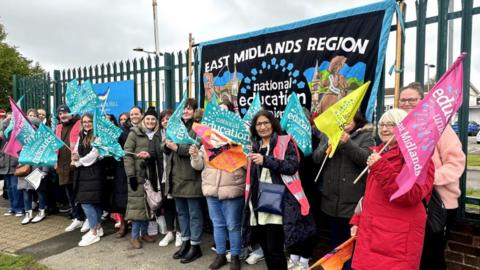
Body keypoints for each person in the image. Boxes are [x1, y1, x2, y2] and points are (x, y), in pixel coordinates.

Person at [349, 109, 435, 270]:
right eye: (381, 124)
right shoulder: (379, 152)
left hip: (395, 241)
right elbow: (369, 196)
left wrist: (380, 166)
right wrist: (357, 220)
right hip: (372, 233)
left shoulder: (418, 158)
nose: (384, 129)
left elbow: (411, 194)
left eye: (391, 124)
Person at [398, 82, 466, 270]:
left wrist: (427, 179)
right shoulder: (401, 129)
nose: (406, 103)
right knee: (413, 254)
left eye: (412, 99)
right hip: (412, 201)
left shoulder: (439, 128)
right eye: (402, 100)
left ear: (423, 101)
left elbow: (456, 163)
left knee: (431, 254)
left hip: (438, 202)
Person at [243, 110, 316, 270]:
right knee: (266, 249)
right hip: (256, 202)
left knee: (275, 249)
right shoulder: (254, 145)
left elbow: (291, 166)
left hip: (275, 201)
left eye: (266, 123)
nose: (262, 127)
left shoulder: (284, 142)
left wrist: (266, 160)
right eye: (259, 124)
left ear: (273, 124)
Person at [312, 111, 374, 270]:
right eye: (342, 118)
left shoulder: (365, 136)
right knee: (336, 245)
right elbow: (316, 158)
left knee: (350, 246)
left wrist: (348, 143)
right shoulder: (328, 134)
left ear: (357, 119)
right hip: (331, 201)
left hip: (351, 204)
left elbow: (366, 160)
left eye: (349, 117)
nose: (345, 121)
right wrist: (328, 144)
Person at [190, 102, 245, 270]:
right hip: (211, 189)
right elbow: (198, 166)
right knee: (218, 225)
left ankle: (235, 257)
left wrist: (235, 151)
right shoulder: (208, 138)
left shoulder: (238, 137)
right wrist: (195, 156)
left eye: (224, 111)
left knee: (233, 225)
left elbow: (247, 165)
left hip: (232, 188)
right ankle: (220, 255)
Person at [162, 98, 204, 264]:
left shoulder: (198, 128)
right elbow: (163, 146)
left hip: (191, 178)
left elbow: (197, 147)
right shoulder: (175, 126)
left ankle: (196, 246)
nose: (186, 111)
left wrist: (177, 148)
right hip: (176, 178)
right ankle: (185, 242)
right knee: (182, 214)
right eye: (184, 109)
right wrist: (167, 145)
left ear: (194, 111)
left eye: (189, 109)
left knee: (194, 214)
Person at [123, 107, 159, 249]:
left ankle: (144, 233)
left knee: (148, 207)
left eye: (153, 119)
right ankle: (134, 237)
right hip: (137, 177)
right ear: (144, 120)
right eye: (148, 119)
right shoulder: (134, 133)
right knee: (137, 208)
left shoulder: (157, 135)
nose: (150, 121)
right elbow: (127, 155)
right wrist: (131, 175)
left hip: (151, 176)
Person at [71, 113, 105, 247]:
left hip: (94, 173)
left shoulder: (98, 135)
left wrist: (79, 162)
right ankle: (97, 227)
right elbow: (76, 150)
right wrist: (75, 155)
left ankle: (93, 232)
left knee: (86, 202)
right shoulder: (81, 135)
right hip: (83, 174)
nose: (86, 123)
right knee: (93, 203)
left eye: (89, 121)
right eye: (84, 121)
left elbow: (95, 154)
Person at [55, 105, 86, 232]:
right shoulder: (58, 127)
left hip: (77, 165)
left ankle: (85, 218)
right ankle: (77, 217)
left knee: (81, 194)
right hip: (63, 166)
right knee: (70, 195)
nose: (63, 115)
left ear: (71, 113)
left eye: (65, 112)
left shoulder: (80, 124)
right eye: (60, 113)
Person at [155, 109, 182, 247]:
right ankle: (170, 232)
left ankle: (179, 232)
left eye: (169, 118)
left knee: (179, 206)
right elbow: (154, 153)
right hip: (163, 176)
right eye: (163, 119)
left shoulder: (180, 134)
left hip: (176, 175)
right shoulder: (157, 135)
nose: (166, 121)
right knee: (167, 205)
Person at [17, 117, 48, 224]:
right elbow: (18, 153)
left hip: (37, 170)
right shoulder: (24, 140)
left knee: (40, 192)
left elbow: (46, 156)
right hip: (26, 169)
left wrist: (45, 171)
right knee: (26, 192)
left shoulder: (42, 141)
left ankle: (41, 212)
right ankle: (28, 213)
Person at [0, 117, 24, 216]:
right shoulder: (3, 140)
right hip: (5, 166)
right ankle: (12, 207)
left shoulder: (17, 137)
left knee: (15, 187)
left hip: (14, 165)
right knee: (9, 188)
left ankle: (19, 208)